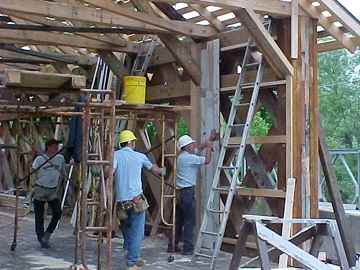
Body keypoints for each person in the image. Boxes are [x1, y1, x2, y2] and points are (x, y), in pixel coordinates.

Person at [113, 130, 165, 270]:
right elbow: (154, 170)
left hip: (121, 202)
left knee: (126, 227)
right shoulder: (140, 156)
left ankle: (129, 250)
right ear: (130, 142)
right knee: (137, 231)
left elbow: (108, 172)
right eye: (134, 141)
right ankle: (132, 261)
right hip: (137, 200)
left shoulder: (115, 155)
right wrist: (162, 170)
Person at [173, 131, 215, 255]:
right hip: (187, 194)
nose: (194, 145)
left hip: (180, 193)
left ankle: (173, 245)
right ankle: (188, 249)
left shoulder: (182, 157)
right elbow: (207, 160)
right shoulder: (189, 158)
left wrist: (208, 140)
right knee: (189, 221)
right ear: (186, 147)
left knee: (179, 221)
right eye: (191, 144)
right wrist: (209, 146)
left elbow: (197, 150)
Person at [32, 138, 65, 248]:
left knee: (57, 212)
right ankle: (41, 237)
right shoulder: (40, 159)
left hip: (52, 190)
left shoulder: (60, 158)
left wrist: (58, 187)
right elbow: (33, 173)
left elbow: (62, 174)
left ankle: (48, 234)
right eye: (54, 146)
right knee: (39, 215)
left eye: (57, 146)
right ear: (49, 147)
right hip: (40, 188)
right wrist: (33, 188)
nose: (56, 148)